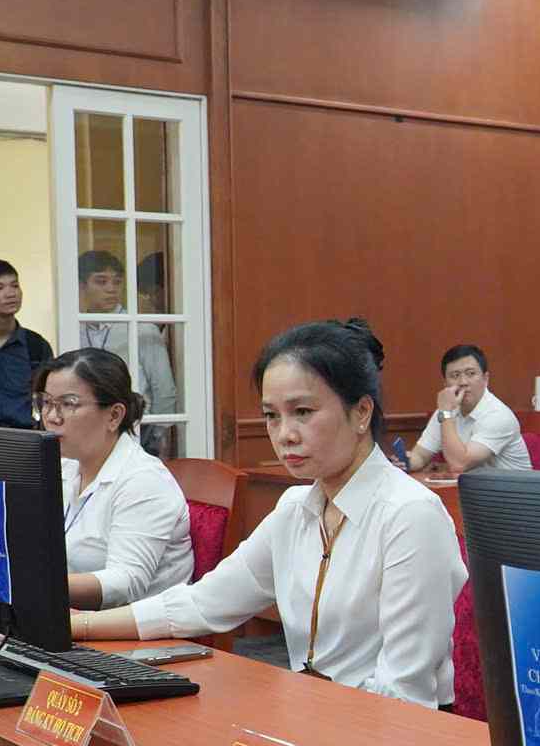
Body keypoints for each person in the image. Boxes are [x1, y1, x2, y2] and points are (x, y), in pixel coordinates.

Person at [73, 319, 465, 709]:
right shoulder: (295, 509)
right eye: (271, 416)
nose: (284, 434)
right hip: (316, 716)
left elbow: (403, 692)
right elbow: (203, 603)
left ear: (362, 412)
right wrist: (79, 626)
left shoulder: (411, 515)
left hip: (393, 736)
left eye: (303, 412)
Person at [34, 347, 194, 608]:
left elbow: (125, 583)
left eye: (68, 404)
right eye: (47, 403)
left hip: (135, 635)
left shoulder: (143, 481)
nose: (52, 417)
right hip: (67, 617)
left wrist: (30, 584)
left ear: (114, 415)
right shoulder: (63, 467)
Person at [77, 250, 179, 450]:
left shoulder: (142, 329)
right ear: (82, 286)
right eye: (101, 281)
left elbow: (165, 390)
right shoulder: (75, 328)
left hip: (137, 429)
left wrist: (155, 436)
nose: (111, 289)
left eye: (117, 282)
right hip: (88, 430)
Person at [402, 344, 529, 474]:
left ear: (485, 379)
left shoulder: (498, 415)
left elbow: (459, 464)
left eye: (470, 374)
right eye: (455, 375)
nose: (463, 382)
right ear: (445, 384)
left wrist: (445, 412)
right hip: (475, 489)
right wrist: (404, 462)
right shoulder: (446, 410)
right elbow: (421, 456)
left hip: (513, 492)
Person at [0, 258, 53, 429]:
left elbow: (48, 395)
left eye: (15, 286)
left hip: (24, 438)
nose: (11, 293)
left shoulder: (36, 344)